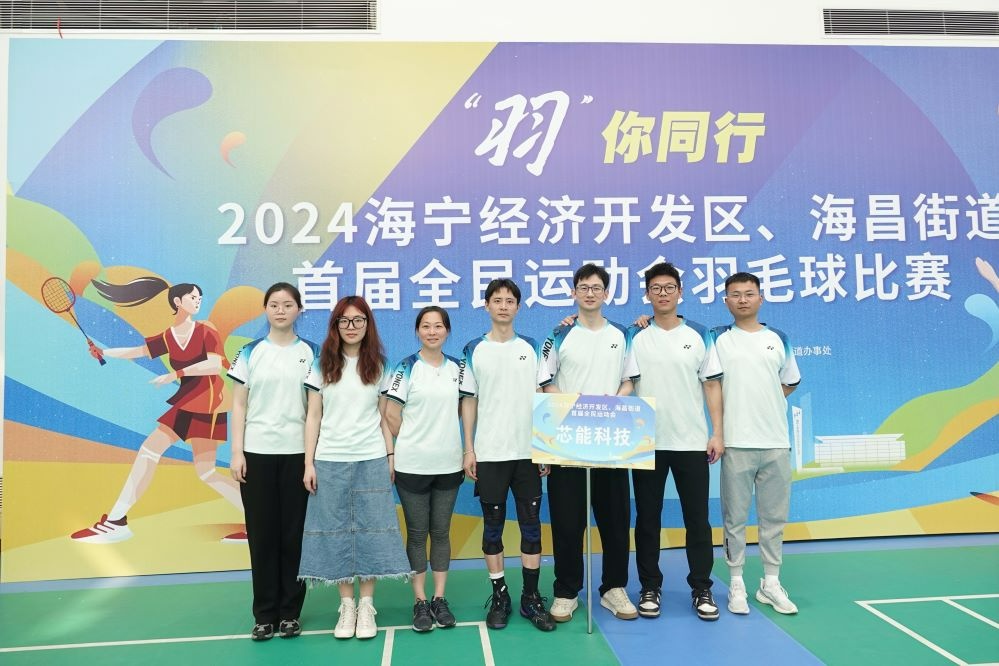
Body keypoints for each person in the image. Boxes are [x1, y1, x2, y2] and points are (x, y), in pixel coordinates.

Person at [71, 276, 243, 543]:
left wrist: (176, 373)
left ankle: (261, 521)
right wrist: (105, 352)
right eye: (193, 297)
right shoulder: (169, 336)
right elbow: (139, 350)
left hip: (208, 402)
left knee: (203, 471)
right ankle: (116, 521)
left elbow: (213, 365)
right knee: (157, 453)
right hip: (187, 401)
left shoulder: (206, 330)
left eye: (199, 298)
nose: (198, 301)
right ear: (178, 301)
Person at [299, 296, 411, 640]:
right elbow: (312, 416)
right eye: (344, 321)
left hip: (371, 458)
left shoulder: (379, 365)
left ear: (368, 325)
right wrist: (308, 463)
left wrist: (390, 456)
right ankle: (346, 606)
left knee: (371, 530)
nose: (351, 327)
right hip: (329, 459)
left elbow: (383, 416)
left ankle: (366, 605)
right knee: (335, 531)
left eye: (358, 320)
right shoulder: (321, 365)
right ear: (335, 325)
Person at [541, 264, 640, 623]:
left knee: (615, 520)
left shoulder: (621, 335)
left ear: (606, 293)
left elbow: (630, 380)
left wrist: (610, 405)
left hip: (611, 438)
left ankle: (614, 588)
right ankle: (566, 591)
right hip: (569, 439)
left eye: (596, 287)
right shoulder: (559, 334)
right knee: (567, 522)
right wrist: (574, 407)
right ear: (574, 292)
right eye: (583, 287)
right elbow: (545, 381)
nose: (590, 293)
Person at [459, 279, 557, 632]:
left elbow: (543, 397)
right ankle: (500, 596)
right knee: (493, 529)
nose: (503, 306)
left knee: (531, 528)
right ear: (486, 305)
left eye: (510, 300)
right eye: (497, 300)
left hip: (527, 454)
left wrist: (545, 447)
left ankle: (531, 598)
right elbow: (468, 401)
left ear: (518, 306)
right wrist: (469, 448)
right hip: (490, 453)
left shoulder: (531, 347)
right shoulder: (473, 349)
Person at [701, 272, 801, 615]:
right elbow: (709, 382)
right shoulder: (716, 338)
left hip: (776, 443)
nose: (742, 299)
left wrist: (766, 402)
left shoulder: (778, 339)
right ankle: (737, 583)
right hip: (736, 443)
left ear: (761, 298)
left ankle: (770, 583)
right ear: (726, 301)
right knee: (735, 519)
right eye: (735, 294)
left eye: (749, 293)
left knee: (774, 518)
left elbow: (789, 382)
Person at [629, 262, 723, 621]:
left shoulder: (699, 334)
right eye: (656, 288)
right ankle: (649, 586)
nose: (663, 293)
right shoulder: (635, 335)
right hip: (646, 442)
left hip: (691, 441)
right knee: (647, 520)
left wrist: (717, 432)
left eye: (669, 287)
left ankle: (701, 587)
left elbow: (711, 385)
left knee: (697, 520)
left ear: (680, 292)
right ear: (647, 294)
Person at [227, 283, 318, 641]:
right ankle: (264, 615)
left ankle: (290, 613)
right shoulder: (250, 353)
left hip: (297, 455)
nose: (281, 310)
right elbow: (238, 404)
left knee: (293, 537)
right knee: (262, 536)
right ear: (265, 309)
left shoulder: (312, 352)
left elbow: (315, 410)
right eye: (274, 304)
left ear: (299, 310)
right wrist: (237, 452)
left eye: (288, 304)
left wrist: (310, 460)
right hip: (256, 455)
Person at [383, 307, 464, 633]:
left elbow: (461, 409)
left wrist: (440, 437)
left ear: (447, 331)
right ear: (417, 331)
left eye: (438, 326)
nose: (432, 332)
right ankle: (419, 601)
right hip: (412, 465)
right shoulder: (405, 368)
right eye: (426, 326)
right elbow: (390, 414)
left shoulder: (458, 368)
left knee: (441, 533)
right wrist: (415, 440)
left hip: (449, 464)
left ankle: (439, 598)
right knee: (417, 534)